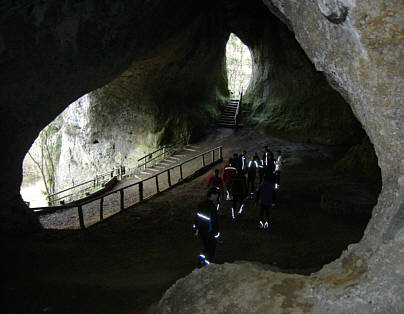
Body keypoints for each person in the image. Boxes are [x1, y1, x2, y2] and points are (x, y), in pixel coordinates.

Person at [193, 188, 221, 267]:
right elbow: (214, 222)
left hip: (201, 232)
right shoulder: (212, 207)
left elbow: (196, 218)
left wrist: (195, 230)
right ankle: (208, 265)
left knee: (206, 247)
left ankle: (201, 261)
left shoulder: (201, 204)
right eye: (216, 194)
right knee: (211, 249)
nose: (217, 196)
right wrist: (217, 234)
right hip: (209, 232)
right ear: (212, 195)